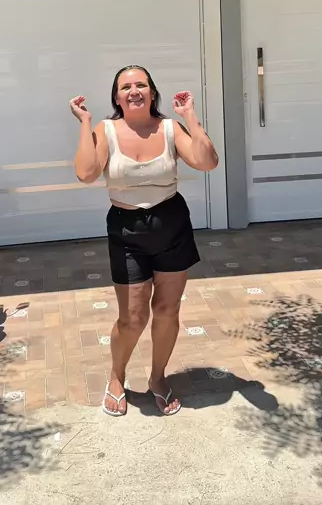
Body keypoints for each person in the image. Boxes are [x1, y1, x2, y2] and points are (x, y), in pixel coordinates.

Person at [69, 65, 218, 417]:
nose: (134, 91)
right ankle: (117, 377)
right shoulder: (106, 130)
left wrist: (190, 116)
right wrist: (85, 123)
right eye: (126, 87)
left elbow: (207, 161)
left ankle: (158, 378)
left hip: (172, 225)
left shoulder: (169, 128)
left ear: (152, 93)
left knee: (167, 311)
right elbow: (86, 173)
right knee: (133, 318)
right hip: (127, 231)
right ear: (117, 97)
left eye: (141, 85)